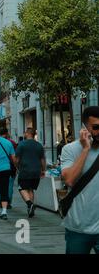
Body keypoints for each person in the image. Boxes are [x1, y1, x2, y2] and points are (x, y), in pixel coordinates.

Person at [60, 106, 99, 254]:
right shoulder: (70, 149)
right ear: (85, 128)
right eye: (96, 127)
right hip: (78, 228)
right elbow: (69, 180)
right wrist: (85, 150)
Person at [15, 128, 46, 218]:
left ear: (28, 133)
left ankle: (29, 204)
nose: (24, 134)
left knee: (22, 188)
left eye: (25, 132)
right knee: (30, 189)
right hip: (36, 171)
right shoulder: (39, 145)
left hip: (25, 170)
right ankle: (30, 210)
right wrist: (43, 170)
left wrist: (17, 167)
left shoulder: (22, 145)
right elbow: (42, 159)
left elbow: (17, 159)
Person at [0, 128, 18, 209]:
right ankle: (8, 202)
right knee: (9, 185)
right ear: (7, 133)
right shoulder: (12, 143)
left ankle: (1, 201)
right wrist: (16, 166)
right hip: (10, 167)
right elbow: (15, 156)